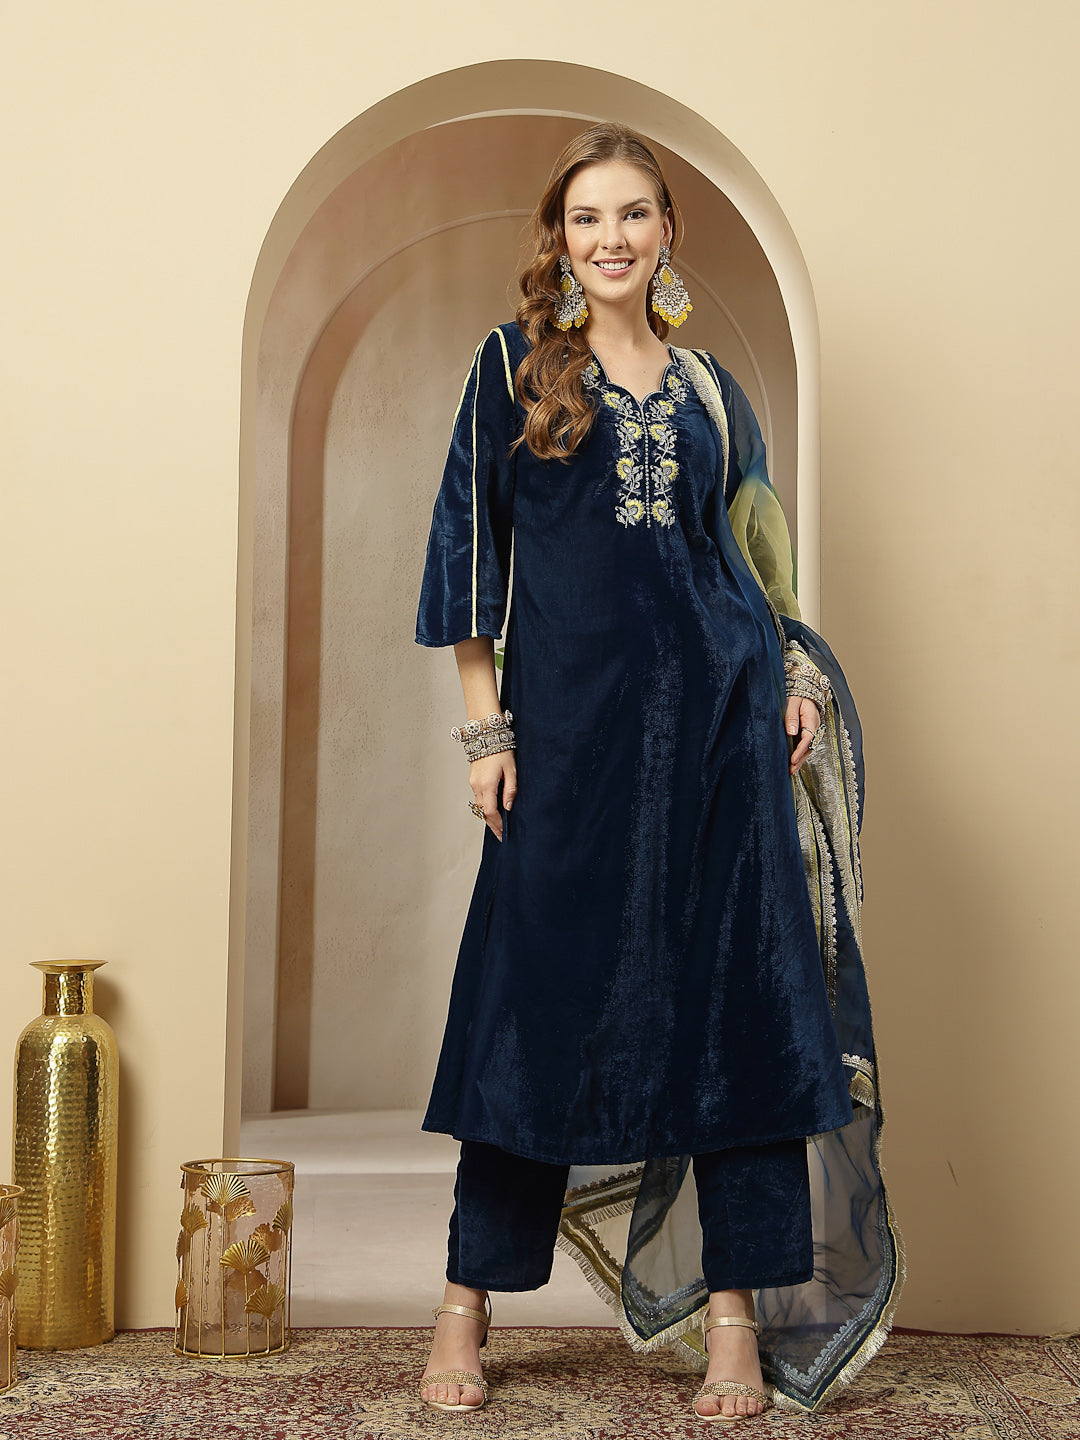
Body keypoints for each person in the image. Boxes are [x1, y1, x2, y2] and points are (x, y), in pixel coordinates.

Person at [414, 122, 902, 1421]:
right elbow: (467, 549)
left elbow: (755, 557)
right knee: (530, 1010)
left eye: (634, 214)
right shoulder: (511, 370)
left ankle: (733, 1321)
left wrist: (791, 672)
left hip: (720, 741)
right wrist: (487, 732)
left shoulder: (710, 392)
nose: (612, 238)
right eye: (588, 217)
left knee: (734, 1017)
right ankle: (465, 1303)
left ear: (668, 231)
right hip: (570, 747)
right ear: (559, 239)